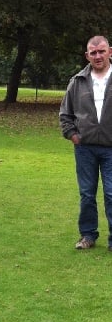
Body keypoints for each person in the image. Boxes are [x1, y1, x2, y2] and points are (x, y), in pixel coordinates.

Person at [60, 35, 112, 250]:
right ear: (87, 55)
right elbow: (65, 114)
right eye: (93, 52)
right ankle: (88, 235)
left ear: (110, 51)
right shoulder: (77, 81)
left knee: (111, 193)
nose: (98, 56)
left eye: (101, 51)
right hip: (85, 149)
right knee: (87, 194)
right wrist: (73, 135)